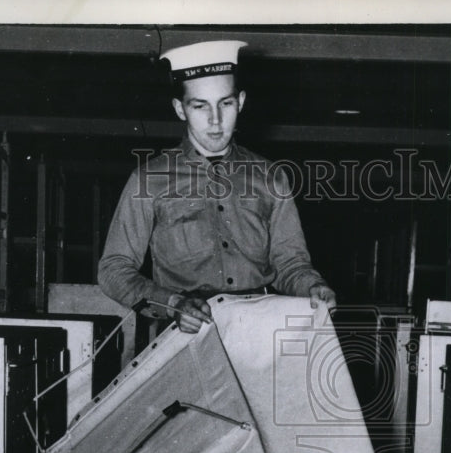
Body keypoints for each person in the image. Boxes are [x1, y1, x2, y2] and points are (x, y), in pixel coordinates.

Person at [97, 40, 336, 333]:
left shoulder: (270, 177)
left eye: (226, 103)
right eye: (200, 106)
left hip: (259, 334)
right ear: (180, 109)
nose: (216, 120)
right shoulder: (148, 179)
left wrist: (313, 287)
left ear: (242, 101)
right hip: (184, 338)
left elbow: (290, 265)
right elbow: (113, 270)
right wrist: (173, 304)